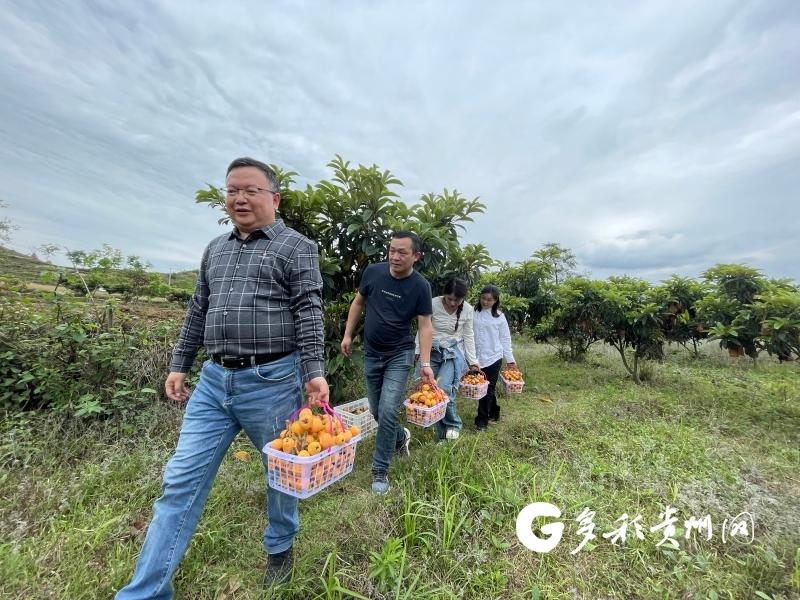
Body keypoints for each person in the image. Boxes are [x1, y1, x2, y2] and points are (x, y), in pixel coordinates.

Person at [116, 157, 329, 599]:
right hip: (213, 383)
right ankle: (146, 592)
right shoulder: (215, 249)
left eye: (251, 189)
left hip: (271, 380)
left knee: (282, 473)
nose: (239, 198)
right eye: (232, 190)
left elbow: (309, 309)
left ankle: (280, 545)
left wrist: (314, 372)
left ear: (274, 197)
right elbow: (198, 310)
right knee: (180, 480)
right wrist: (179, 363)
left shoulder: (295, 246)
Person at [341, 231, 434, 495]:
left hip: (399, 354)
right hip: (372, 353)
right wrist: (348, 334)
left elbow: (425, 325)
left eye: (402, 252)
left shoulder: (421, 286)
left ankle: (379, 470)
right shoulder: (373, 272)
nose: (394, 256)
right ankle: (400, 436)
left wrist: (425, 362)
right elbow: (358, 302)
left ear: (416, 256)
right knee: (376, 410)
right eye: (391, 250)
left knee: (389, 411)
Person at [414, 277, 479, 442]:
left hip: (452, 353)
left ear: (463, 298)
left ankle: (454, 423)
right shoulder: (432, 303)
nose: (452, 303)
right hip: (431, 351)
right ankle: (442, 435)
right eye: (449, 299)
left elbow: (468, 335)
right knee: (430, 390)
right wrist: (418, 350)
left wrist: (473, 361)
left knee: (443, 388)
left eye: (456, 300)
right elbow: (422, 328)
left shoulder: (468, 310)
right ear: (444, 294)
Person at [473, 285, 517, 431]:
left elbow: (505, 339)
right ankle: (494, 411)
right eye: (483, 298)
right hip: (476, 358)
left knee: (487, 388)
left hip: (493, 357)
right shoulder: (473, 313)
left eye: (489, 300)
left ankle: (481, 421)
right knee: (481, 387)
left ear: (496, 301)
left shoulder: (499, 317)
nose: (485, 302)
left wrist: (510, 359)